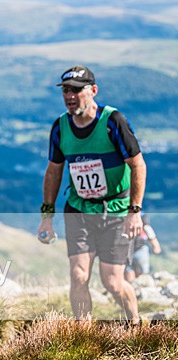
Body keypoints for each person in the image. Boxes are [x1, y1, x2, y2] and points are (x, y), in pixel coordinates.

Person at [37, 65, 146, 323]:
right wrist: (46, 217)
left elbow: (137, 164)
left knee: (112, 282)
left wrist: (135, 211)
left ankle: (135, 324)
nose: (70, 96)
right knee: (78, 275)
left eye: (76, 90)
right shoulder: (61, 128)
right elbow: (54, 171)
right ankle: (83, 336)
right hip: (80, 210)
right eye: (66, 90)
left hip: (116, 211)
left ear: (93, 91)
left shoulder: (112, 122)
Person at [125, 213, 161, 282]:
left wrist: (155, 245)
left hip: (139, 247)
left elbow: (147, 229)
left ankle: (139, 286)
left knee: (141, 271)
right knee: (129, 270)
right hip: (127, 249)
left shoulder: (141, 216)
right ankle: (133, 287)